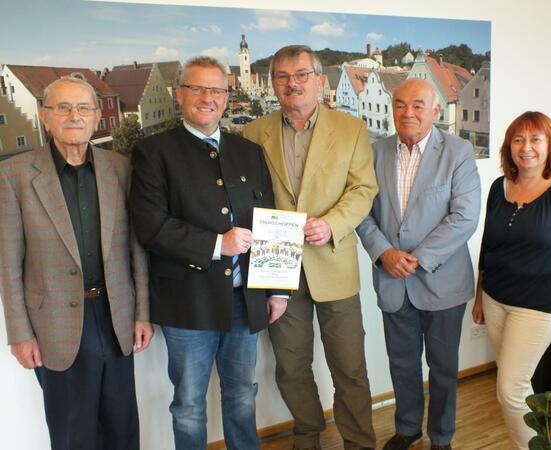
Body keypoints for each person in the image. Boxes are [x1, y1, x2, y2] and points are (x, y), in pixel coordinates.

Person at [129, 56, 285, 450]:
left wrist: (278, 288)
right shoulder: (152, 152)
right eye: (196, 88)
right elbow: (150, 226)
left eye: (215, 90)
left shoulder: (248, 151)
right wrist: (218, 245)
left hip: (242, 300)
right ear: (179, 94)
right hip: (187, 304)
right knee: (188, 405)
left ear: (226, 96)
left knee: (242, 395)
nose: (206, 97)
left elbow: (270, 219)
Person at [0, 76, 153, 450]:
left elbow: (136, 248)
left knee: (122, 427)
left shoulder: (119, 168)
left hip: (115, 315)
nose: (74, 116)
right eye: (63, 107)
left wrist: (142, 312)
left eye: (83, 108)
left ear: (97, 117)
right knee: (73, 433)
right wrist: (19, 334)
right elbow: (8, 262)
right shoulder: (14, 176)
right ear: (44, 116)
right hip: (55, 325)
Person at [243, 45, 378, 450]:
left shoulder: (350, 129)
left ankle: (358, 442)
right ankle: (307, 437)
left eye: (301, 74)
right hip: (277, 269)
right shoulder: (253, 133)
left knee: (350, 368)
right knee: (291, 366)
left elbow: (363, 189)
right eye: (282, 77)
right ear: (273, 85)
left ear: (320, 80)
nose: (292, 83)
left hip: (334, 264)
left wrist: (332, 224)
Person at [356, 78, 481, 450]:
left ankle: (441, 437)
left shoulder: (458, 152)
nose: (407, 112)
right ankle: (408, 428)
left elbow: (465, 217)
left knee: (442, 370)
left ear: (436, 111)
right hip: (392, 282)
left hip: (442, 282)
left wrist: (417, 259)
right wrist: (383, 252)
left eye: (417, 105)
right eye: (399, 104)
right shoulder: (375, 152)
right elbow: (362, 213)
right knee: (403, 364)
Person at [472, 111, 551, 450]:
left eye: (535, 139)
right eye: (518, 139)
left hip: (538, 307)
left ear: (550, 145)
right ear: (509, 147)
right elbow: (488, 245)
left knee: (510, 389)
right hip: (496, 300)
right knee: (518, 387)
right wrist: (479, 296)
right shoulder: (500, 187)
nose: (526, 147)